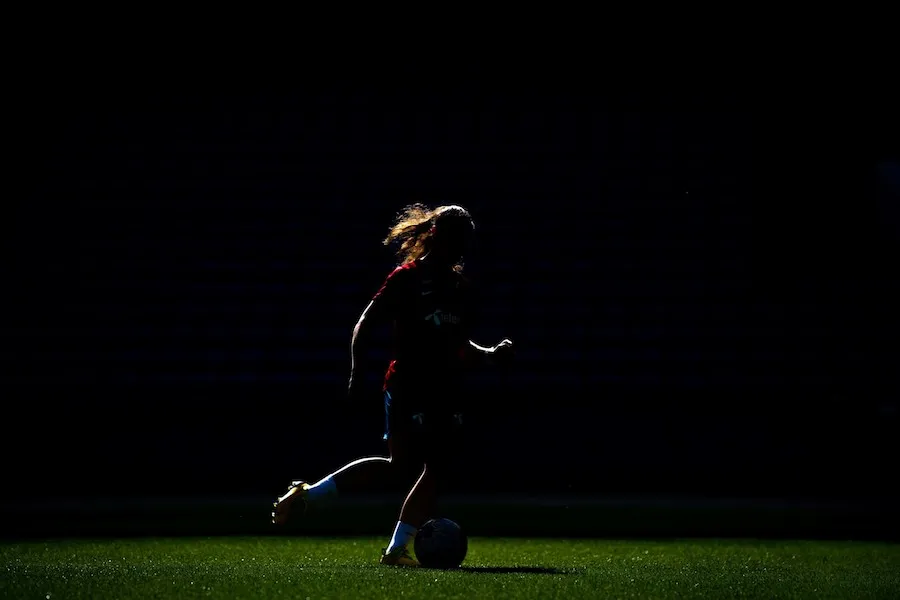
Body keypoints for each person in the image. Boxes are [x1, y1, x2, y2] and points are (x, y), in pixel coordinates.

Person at [272, 203, 513, 567]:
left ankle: (308, 496)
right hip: (409, 386)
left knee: (405, 466)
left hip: (442, 389)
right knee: (434, 464)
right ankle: (395, 548)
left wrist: (491, 354)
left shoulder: (459, 287)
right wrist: (357, 373)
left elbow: (459, 345)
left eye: (467, 241)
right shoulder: (407, 278)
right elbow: (364, 325)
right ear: (436, 235)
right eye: (457, 238)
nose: (463, 247)